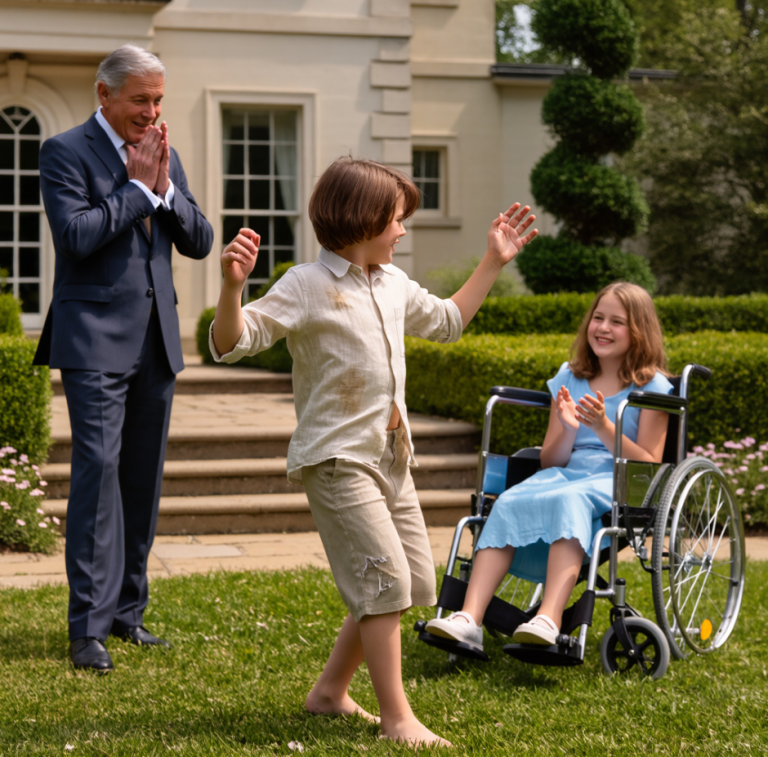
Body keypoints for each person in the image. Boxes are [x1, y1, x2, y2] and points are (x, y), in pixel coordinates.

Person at [210, 156, 537, 746]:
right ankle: (398, 719)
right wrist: (233, 288)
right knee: (383, 583)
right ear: (361, 218)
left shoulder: (392, 283)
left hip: (391, 456)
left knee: (409, 580)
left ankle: (330, 693)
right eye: (396, 219)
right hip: (337, 459)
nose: (403, 231)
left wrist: (494, 260)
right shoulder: (305, 285)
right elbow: (233, 343)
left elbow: (447, 322)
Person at [33, 45, 214, 672]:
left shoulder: (165, 155)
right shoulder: (63, 151)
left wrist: (165, 188)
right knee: (98, 473)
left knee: (141, 478)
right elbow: (76, 236)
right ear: (104, 94)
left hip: (157, 341)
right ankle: (88, 629)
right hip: (92, 340)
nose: (152, 111)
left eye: (158, 99)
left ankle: (127, 615)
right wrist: (138, 190)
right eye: (141, 99)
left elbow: (200, 240)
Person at [426, 282, 673, 651]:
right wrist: (568, 429)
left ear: (639, 330)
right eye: (598, 318)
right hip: (567, 472)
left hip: (617, 480)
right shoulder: (570, 377)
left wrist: (603, 426)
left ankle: (549, 617)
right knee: (509, 500)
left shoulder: (652, 387)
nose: (603, 328)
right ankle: (469, 618)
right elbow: (551, 460)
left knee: (570, 500)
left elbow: (648, 464)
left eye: (617, 322)